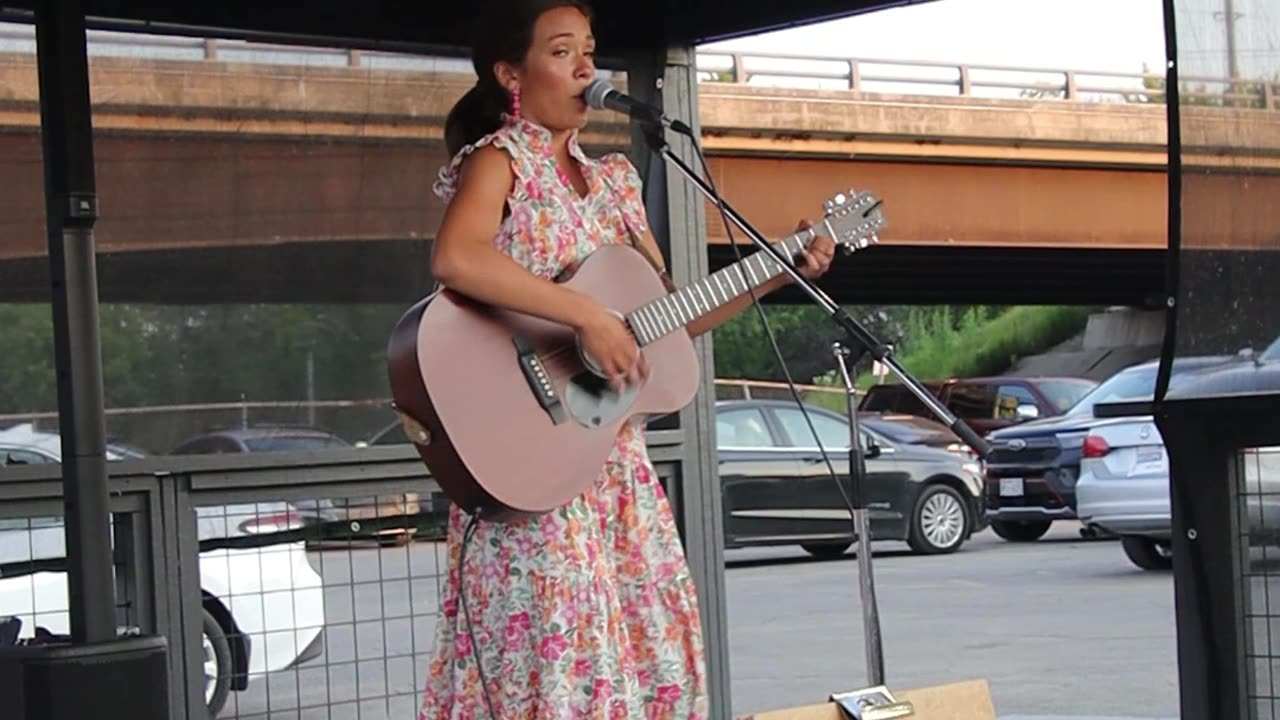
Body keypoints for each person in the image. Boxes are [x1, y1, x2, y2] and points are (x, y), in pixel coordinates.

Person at [419, 1, 836, 718]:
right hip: (533, 467)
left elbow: (665, 321)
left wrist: (777, 267)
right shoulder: (499, 160)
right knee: (560, 673)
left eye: (589, 49)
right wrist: (585, 313)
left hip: (615, 473)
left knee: (647, 666)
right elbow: (456, 259)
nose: (586, 66)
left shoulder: (615, 183)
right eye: (561, 51)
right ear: (510, 73)